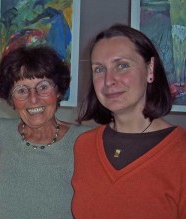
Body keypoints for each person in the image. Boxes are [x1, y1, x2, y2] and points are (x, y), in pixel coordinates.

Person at [72, 24, 186, 218]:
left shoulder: (180, 153)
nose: (109, 80)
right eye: (99, 69)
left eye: (122, 65)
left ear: (150, 69)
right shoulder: (84, 145)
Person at [0, 46, 90, 218]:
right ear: (11, 99)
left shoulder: (84, 141)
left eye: (43, 87)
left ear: (58, 91)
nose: (34, 99)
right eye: (21, 90)